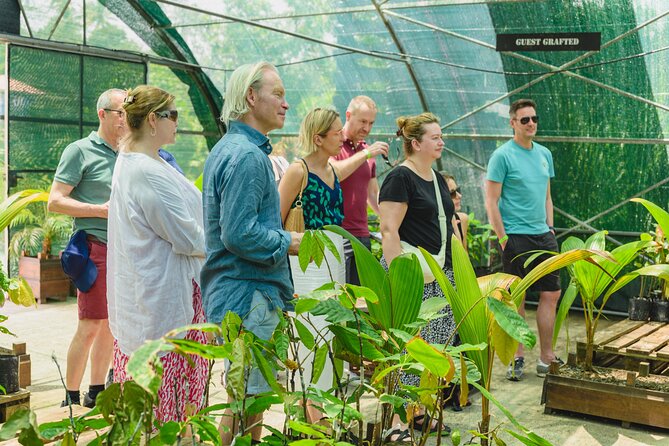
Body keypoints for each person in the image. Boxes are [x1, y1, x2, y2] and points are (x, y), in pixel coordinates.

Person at [201, 62, 302, 443]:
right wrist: (287, 242)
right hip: (248, 294)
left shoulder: (231, 148)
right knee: (247, 399)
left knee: (249, 398)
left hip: (244, 292)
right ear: (250, 96)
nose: (285, 103)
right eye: (277, 93)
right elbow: (239, 234)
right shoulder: (246, 156)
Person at [107, 85, 208, 422]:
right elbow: (187, 237)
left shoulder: (139, 161)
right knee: (170, 412)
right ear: (153, 119)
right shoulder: (146, 171)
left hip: (148, 300)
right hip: (162, 310)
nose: (177, 123)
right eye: (173, 115)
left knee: (162, 413)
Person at [378, 112, 456, 436]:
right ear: (415, 143)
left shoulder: (437, 179)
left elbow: (448, 226)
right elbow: (388, 230)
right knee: (406, 347)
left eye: (441, 137)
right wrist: (400, 282)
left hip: (440, 274)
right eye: (435, 137)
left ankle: (419, 410)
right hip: (411, 278)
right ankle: (396, 420)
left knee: (434, 347)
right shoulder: (400, 178)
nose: (441, 142)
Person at [48, 88, 125, 408]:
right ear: (102, 114)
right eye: (120, 112)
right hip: (95, 248)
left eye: (127, 113)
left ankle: (96, 390)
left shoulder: (128, 152)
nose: (125, 119)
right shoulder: (80, 151)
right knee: (90, 323)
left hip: (123, 252)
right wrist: (99, 209)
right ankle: (70, 394)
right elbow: (55, 202)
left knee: (110, 324)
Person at [485, 98, 561, 381]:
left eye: (534, 119)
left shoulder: (544, 154)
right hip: (515, 236)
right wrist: (504, 239)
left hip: (544, 235)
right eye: (525, 119)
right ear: (513, 123)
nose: (531, 124)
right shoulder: (502, 156)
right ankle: (517, 357)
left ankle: (546, 357)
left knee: (551, 293)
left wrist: (550, 228)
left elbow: (547, 196)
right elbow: (491, 202)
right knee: (517, 296)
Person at [278, 107, 346, 421]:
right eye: (336, 132)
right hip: (307, 261)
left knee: (333, 334)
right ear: (318, 138)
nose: (343, 135)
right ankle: (312, 420)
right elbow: (276, 221)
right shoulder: (297, 171)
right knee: (312, 338)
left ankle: (326, 418)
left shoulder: (332, 169)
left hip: (335, 258)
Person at [331, 96, 389, 286]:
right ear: (348, 115)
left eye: (371, 123)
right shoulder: (333, 144)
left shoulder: (367, 151)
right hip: (337, 233)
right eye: (363, 121)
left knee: (361, 299)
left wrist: (390, 219)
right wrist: (366, 154)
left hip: (362, 235)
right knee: (339, 297)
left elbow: (372, 193)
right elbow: (332, 174)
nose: (367, 128)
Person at [441, 173, 469, 252]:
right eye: (452, 193)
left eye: (458, 190)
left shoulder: (462, 219)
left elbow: (464, 256)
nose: (459, 195)